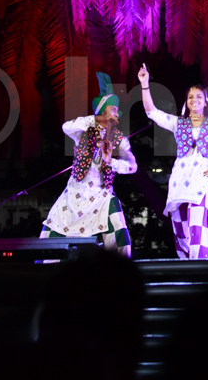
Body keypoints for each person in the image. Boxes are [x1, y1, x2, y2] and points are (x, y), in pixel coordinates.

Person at [138, 63, 208, 259]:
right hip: (180, 182)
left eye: (199, 97)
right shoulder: (179, 123)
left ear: (205, 102)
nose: (194, 99)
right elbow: (151, 112)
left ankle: (200, 267)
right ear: (186, 103)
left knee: (199, 229)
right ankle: (188, 268)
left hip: (204, 181)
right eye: (190, 97)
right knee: (182, 232)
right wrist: (145, 84)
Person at [41, 72, 137, 257]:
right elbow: (66, 127)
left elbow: (132, 166)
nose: (116, 114)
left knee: (118, 227)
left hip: (102, 195)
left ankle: (122, 269)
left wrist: (112, 162)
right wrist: (94, 120)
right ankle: (47, 267)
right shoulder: (83, 131)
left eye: (117, 110)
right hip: (74, 193)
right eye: (113, 109)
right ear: (102, 112)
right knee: (54, 228)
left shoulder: (119, 139)